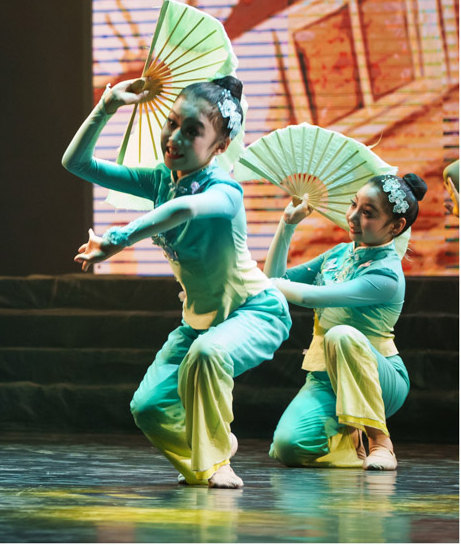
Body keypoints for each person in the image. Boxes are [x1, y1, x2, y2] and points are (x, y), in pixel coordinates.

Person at [62, 75, 291, 488]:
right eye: (172, 123)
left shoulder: (226, 192)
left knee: (208, 354)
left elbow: (184, 209)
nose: (175, 138)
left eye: (192, 131)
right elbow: (76, 164)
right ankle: (209, 455)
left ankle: (217, 460)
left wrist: (117, 239)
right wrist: (107, 106)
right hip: (199, 321)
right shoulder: (160, 181)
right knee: (148, 408)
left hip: (255, 311)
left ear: (220, 146)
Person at [266, 173, 426, 472]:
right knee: (288, 447)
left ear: (396, 226)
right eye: (354, 205)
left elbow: (310, 296)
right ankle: (352, 444)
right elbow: (275, 280)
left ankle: (380, 442)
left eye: (368, 213)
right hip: (326, 378)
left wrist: (262, 284)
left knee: (341, 335)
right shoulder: (339, 254)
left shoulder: (386, 275)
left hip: (379, 379)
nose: (352, 216)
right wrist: (287, 224)